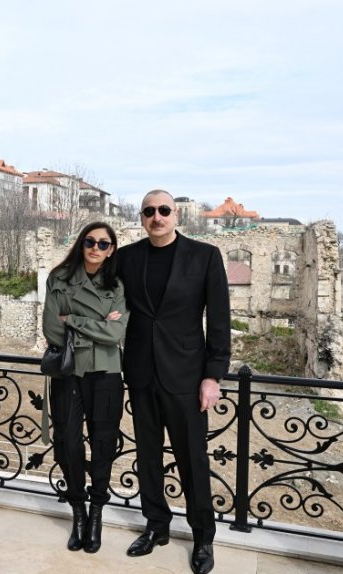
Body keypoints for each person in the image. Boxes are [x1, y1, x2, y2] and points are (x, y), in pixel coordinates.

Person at [116, 190, 230, 574]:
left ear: (176, 214)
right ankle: (156, 526)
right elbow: (101, 291)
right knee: (147, 455)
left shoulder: (205, 256)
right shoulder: (128, 257)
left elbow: (218, 321)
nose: (157, 217)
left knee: (192, 460)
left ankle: (203, 538)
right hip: (142, 373)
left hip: (186, 375)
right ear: (142, 217)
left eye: (163, 210)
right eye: (149, 212)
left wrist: (213, 375)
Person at [42, 221, 129, 554]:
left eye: (104, 244)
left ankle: (96, 512)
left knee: (103, 442)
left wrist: (74, 320)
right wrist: (98, 324)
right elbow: (52, 329)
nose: (96, 248)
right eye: (90, 242)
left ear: (111, 250)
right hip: (69, 373)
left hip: (106, 373)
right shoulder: (59, 279)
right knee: (67, 441)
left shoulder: (118, 285)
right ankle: (77, 509)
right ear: (81, 244)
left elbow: (116, 334)